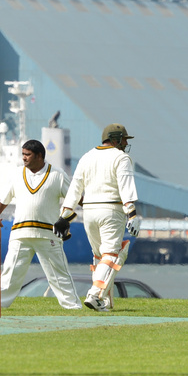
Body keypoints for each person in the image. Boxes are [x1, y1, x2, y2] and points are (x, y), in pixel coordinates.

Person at [58, 123, 139, 312]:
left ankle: (106, 302)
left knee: (100, 257)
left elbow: (75, 187)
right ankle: (94, 294)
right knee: (113, 253)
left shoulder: (87, 157)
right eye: (124, 138)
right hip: (111, 210)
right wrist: (132, 213)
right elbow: (125, 185)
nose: (126, 142)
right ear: (115, 139)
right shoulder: (121, 158)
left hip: (90, 212)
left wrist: (64, 215)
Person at [0, 140, 83, 308]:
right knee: (10, 272)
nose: (24, 158)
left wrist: (68, 217)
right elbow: (5, 196)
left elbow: (75, 197)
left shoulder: (57, 174)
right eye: (23, 155)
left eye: (28, 155)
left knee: (58, 274)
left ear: (40, 156)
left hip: (47, 233)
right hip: (21, 232)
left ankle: (72, 306)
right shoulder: (17, 174)